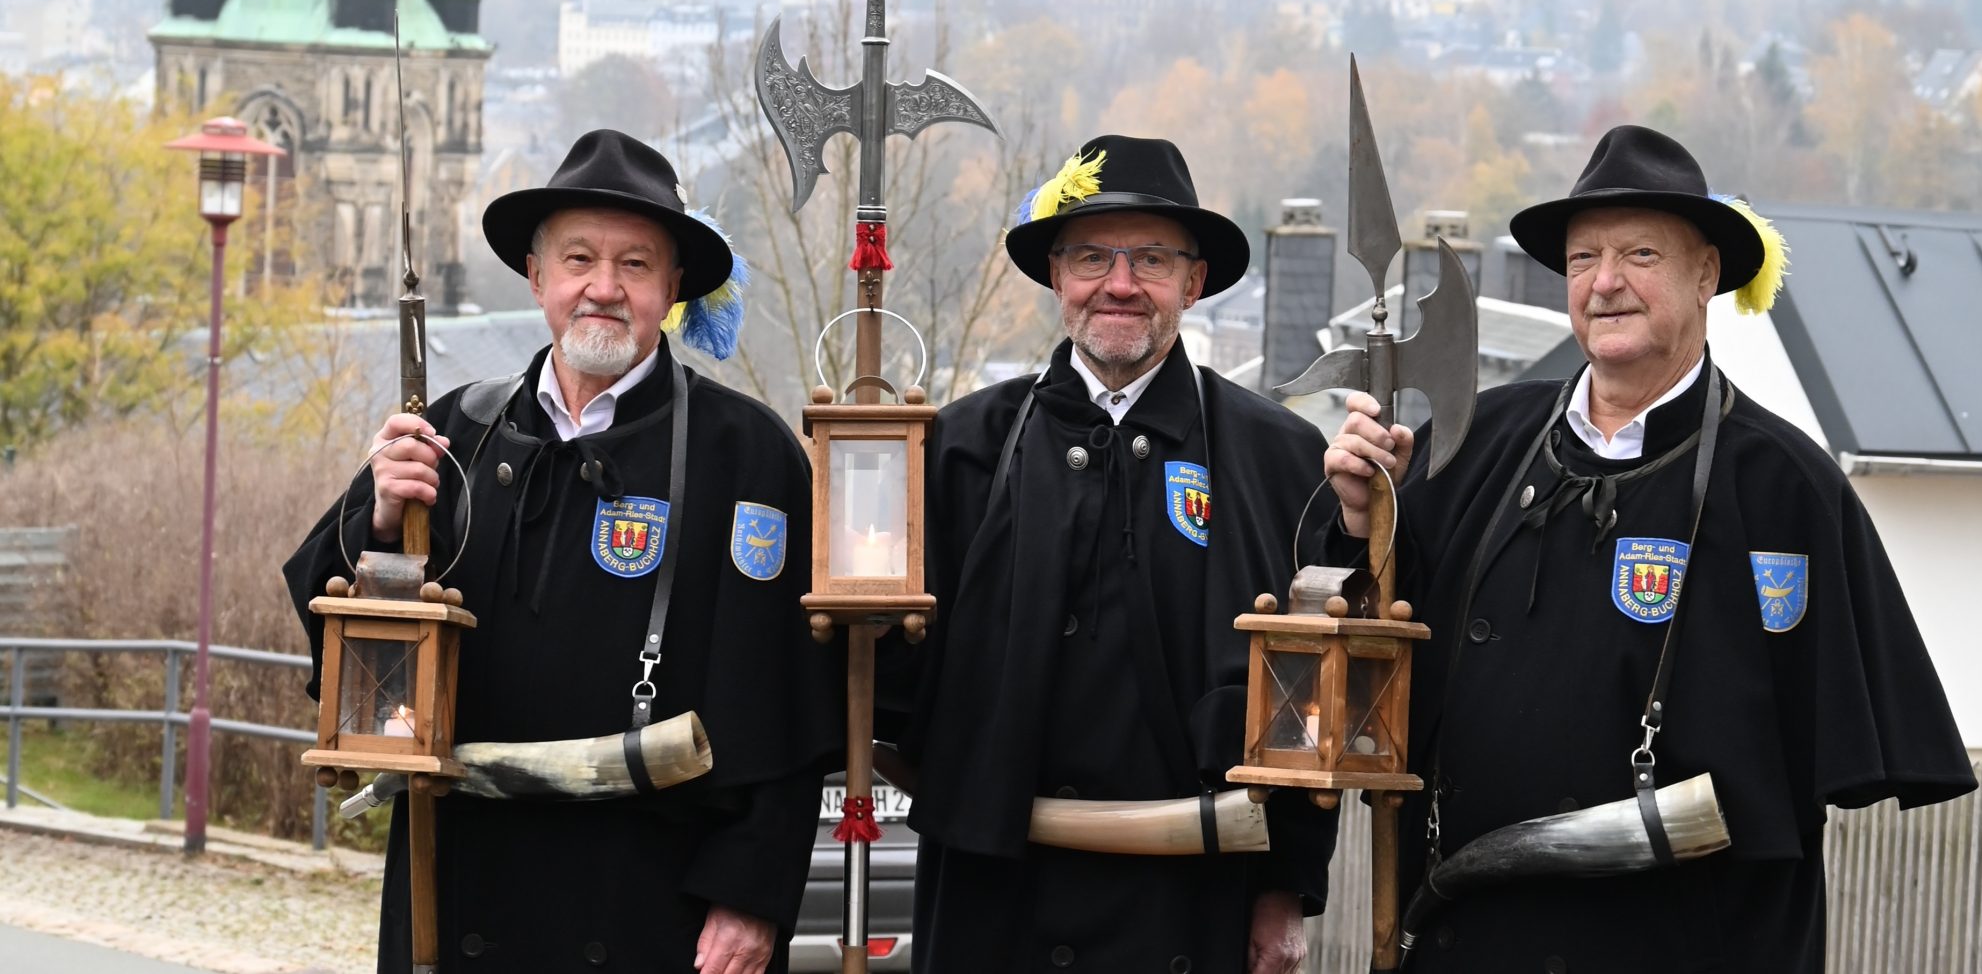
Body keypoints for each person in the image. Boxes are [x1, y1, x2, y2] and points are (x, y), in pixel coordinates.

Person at [1325, 125, 1976, 972]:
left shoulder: (1789, 491)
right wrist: (1353, 517)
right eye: (1585, 257)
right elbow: (1358, 647)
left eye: (1640, 254)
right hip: (1473, 940)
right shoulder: (1471, 444)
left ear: (1706, 273)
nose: (1606, 283)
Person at [284, 130, 839, 974]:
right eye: (579, 259)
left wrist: (752, 891)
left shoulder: (748, 456)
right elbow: (337, 634)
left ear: (674, 287)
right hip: (462, 878)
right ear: (537, 277)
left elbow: (786, 702)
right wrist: (382, 526)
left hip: (652, 900)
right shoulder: (450, 433)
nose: (604, 289)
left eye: (637, 265)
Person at [886, 135, 1341, 974]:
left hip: (1193, 898)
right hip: (995, 899)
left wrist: (1286, 888)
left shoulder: (1279, 458)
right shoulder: (960, 448)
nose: (1120, 284)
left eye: (1152, 259)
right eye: (1092, 255)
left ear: (1194, 282)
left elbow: (1306, 697)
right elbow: (897, 687)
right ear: (1056, 276)